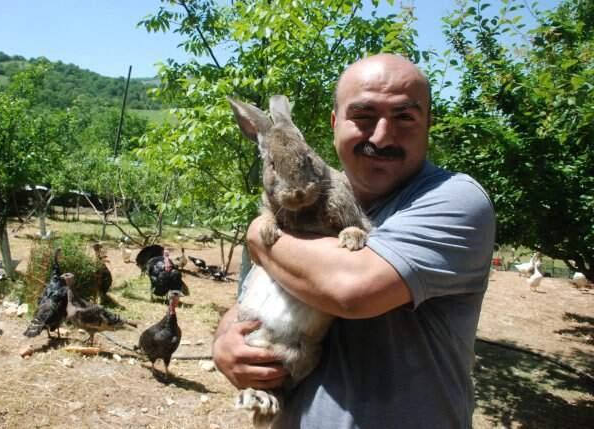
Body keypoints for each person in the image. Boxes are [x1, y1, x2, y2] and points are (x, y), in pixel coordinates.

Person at [212, 53, 495, 428]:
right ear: (334, 123)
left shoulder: (456, 200)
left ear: (428, 123)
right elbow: (259, 287)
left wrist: (258, 236)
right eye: (363, 117)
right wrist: (225, 340)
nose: (381, 136)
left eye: (404, 117)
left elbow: (351, 289)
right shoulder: (290, 208)